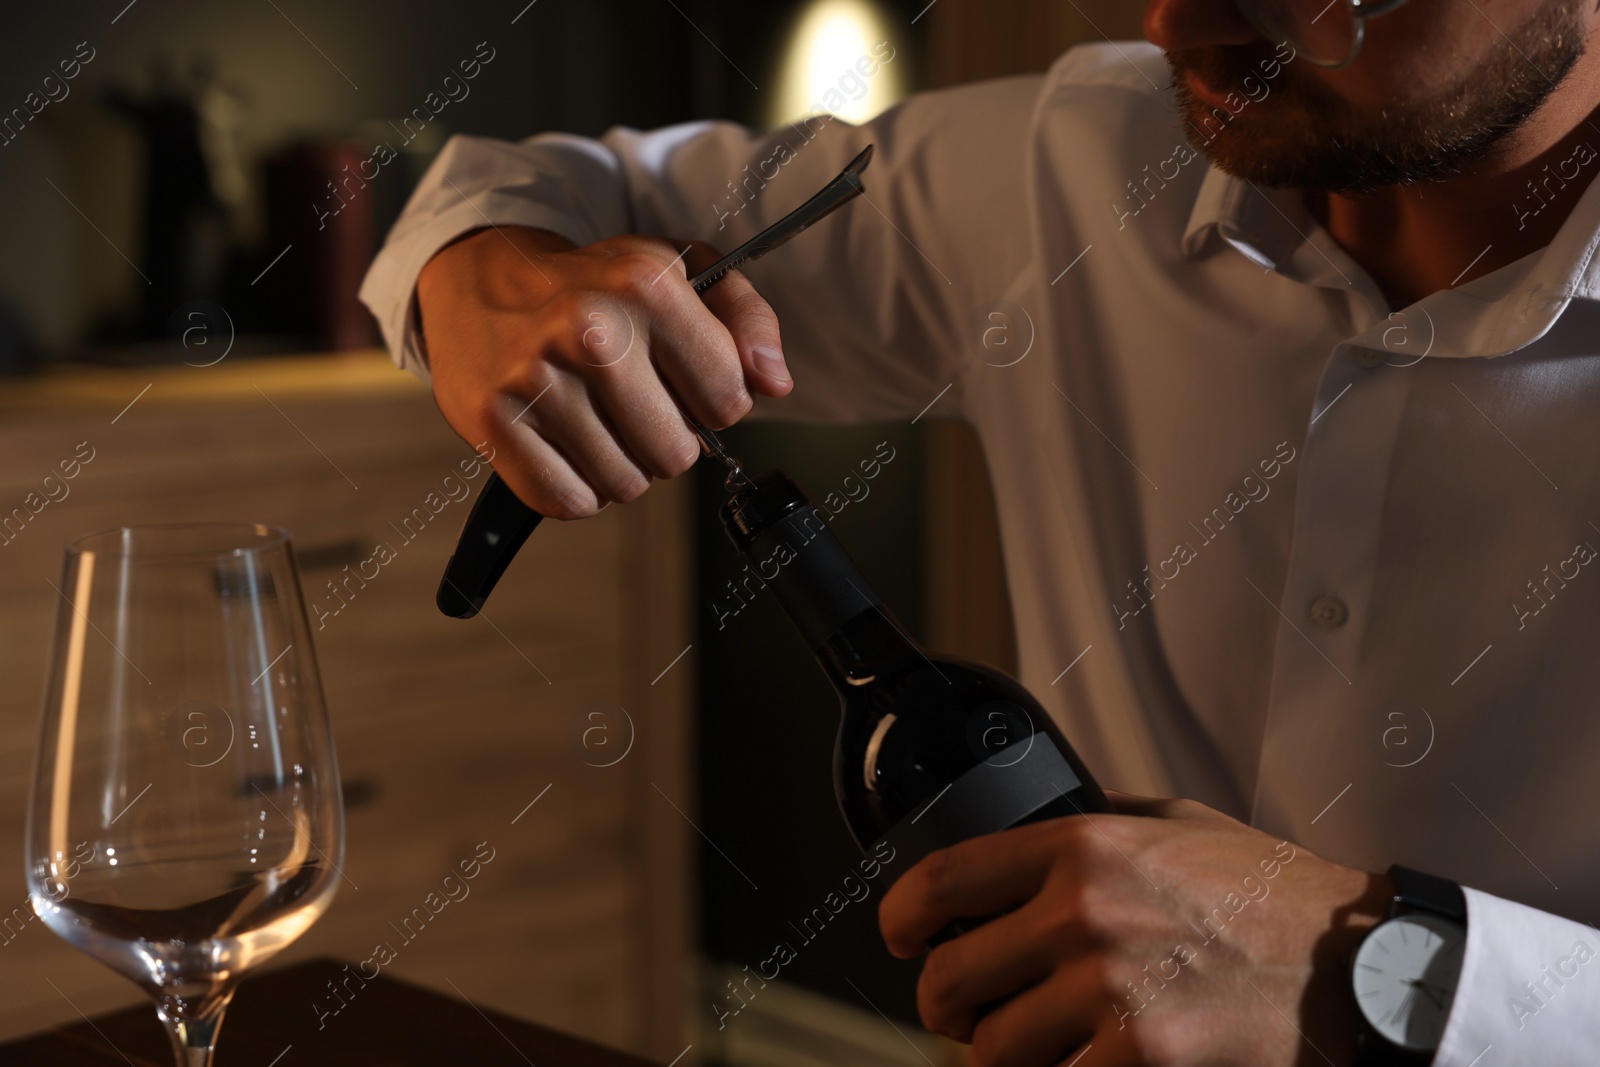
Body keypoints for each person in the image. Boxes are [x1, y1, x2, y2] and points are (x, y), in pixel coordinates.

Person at [359, 0, 1600, 1061]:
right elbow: (537, 193)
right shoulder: (1068, 167)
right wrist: (492, 278)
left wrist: (1382, 978)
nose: (1172, 17)